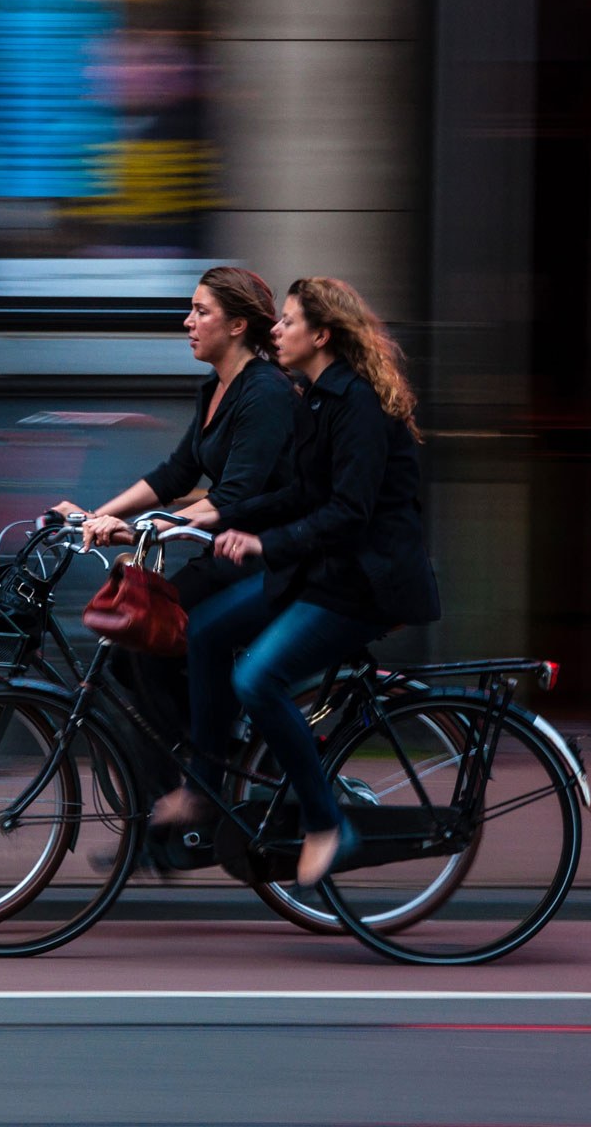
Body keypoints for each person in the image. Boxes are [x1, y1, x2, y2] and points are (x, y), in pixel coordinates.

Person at [152, 277, 441, 887]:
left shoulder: (356, 403)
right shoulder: (314, 396)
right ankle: (204, 789)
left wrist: (263, 542)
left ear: (322, 334)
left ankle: (327, 823)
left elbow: (348, 512)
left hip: (364, 584)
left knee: (256, 678)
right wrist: (224, 516)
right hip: (319, 572)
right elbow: (301, 492)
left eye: (287, 322)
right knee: (202, 631)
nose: (275, 332)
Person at [52, 266, 297, 793]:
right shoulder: (216, 387)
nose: (187, 322)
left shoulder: (266, 392)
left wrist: (148, 527)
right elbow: (176, 474)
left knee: (146, 642)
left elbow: (234, 497)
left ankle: (198, 781)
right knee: (131, 652)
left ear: (236, 326)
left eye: (201, 311)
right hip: (223, 554)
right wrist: (99, 514)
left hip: (265, 558)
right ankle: (204, 766)